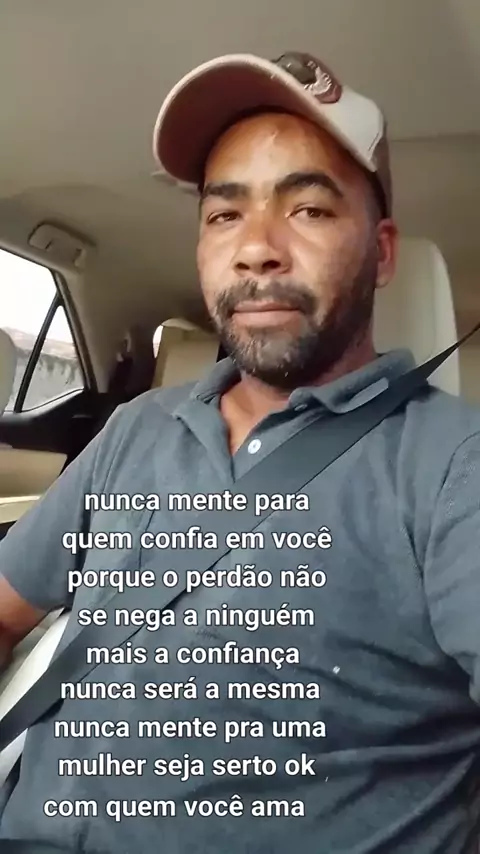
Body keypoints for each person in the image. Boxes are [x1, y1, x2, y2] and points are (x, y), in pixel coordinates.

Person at [1, 49, 480, 854]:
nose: (256, 248)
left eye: (309, 209)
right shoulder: (136, 428)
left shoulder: (452, 467)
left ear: (383, 252)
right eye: (224, 214)